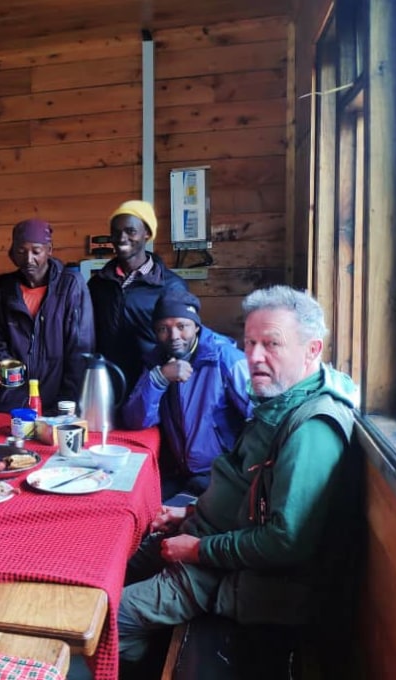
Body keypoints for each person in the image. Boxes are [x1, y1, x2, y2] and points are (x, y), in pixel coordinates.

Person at [117, 286, 360, 676]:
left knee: (111, 618)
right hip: (204, 535)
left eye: (271, 344)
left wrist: (197, 550)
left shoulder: (311, 429)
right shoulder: (279, 400)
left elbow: (285, 543)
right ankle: (146, 650)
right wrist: (189, 512)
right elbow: (249, 492)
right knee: (114, 571)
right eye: (249, 343)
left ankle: (136, 661)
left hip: (228, 576)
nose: (254, 357)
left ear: (312, 350)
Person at [120, 290, 251, 500]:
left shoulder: (225, 358)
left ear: (196, 326)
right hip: (179, 472)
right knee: (140, 502)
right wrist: (160, 378)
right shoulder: (157, 361)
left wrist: (240, 470)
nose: (173, 336)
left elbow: (260, 414)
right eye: (164, 329)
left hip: (221, 474)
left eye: (182, 326)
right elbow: (136, 420)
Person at [0, 218, 94, 411]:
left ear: (49, 250)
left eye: (36, 251)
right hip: (14, 402)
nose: (28, 259)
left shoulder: (70, 285)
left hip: (59, 401)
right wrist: (4, 370)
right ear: (12, 253)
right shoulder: (3, 290)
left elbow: (79, 348)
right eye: (21, 251)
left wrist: (67, 401)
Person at [88, 200, 188, 398]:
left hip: (151, 386)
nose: (121, 238)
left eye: (130, 231)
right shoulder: (98, 284)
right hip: (106, 383)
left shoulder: (170, 286)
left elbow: (183, 342)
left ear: (147, 234)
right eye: (116, 232)